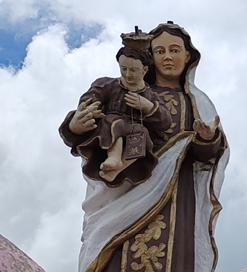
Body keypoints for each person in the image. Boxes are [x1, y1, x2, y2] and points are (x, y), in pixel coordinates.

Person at [60, 23, 229, 272]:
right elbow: (90, 124)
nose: (167, 57)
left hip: (175, 203)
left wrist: (207, 138)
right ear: (148, 58)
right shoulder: (123, 89)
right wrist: (73, 125)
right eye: (159, 51)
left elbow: (207, 156)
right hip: (123, 198)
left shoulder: (196, 102)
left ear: (188, 56)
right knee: (112, 261)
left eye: (175, 50)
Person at [65, 46, 172, 186]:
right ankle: (114, 158)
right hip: (109, 129)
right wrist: (87, 112)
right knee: (114, 122)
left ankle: (119, 168)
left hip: (133, 131)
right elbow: (90, 99)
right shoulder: (106, 84)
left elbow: (166, 121)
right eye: (123, 68)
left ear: (145, 70)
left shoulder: (151, 96)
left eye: (133, 70)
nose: (128, 74)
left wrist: (147, 106)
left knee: (141, 132)